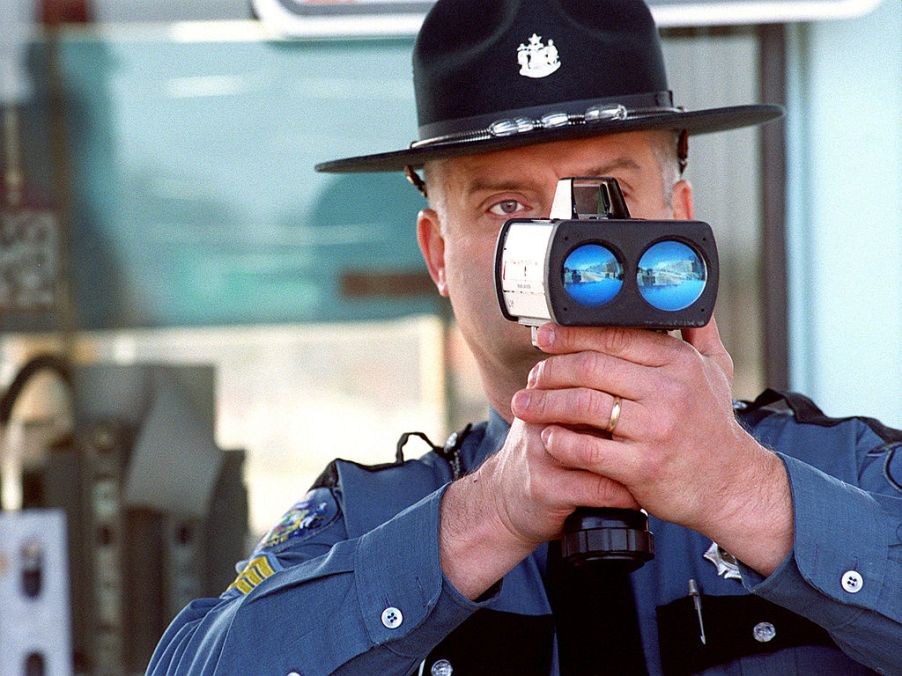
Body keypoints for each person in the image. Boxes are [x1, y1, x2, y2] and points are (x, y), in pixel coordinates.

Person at [148, 1, 902, 674]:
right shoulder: (369, 524)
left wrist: (745, 494)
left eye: (606, 197)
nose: (568, 245)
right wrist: (483, 520)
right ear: (438, 254)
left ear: (678, 217)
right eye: (508, 206)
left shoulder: (842, 470)